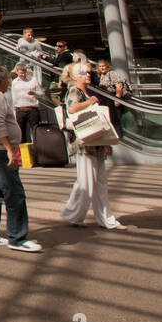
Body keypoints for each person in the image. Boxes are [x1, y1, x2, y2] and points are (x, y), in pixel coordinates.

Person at [0, 64, 41, 251]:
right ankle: (17, 238)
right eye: (7, 79)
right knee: (14, 192)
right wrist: (9, 150)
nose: (9, 83)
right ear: (1, 79)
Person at [60, 68, 126, 229]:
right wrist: (89, 102)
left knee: (95, 181)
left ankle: (96, 218)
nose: (88, 74)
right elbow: (72, 109)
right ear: (74, 76)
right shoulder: (75, 91)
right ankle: (75, 214)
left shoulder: (86, 92)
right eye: (84, 72)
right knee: (89, 181)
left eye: (89, 72)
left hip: (93, 142)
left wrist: (106, 142)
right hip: (86, 143)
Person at [10, 61, 45, 147]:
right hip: (20, 109)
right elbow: (14, 97)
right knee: (21, 132)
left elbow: (41, 93)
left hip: (32, 109)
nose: (23, 75)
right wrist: (14, 112)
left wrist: (34, 93)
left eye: (24, 72)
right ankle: (24, 154)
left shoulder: (33, 80)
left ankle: (38, 150)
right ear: (17, 72)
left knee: (36, 131)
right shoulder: (14, 82)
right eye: (21, 73)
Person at [96, 59, 128, 140]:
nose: (102, 68)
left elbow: (119, 85)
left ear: (107, 66)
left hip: (112, 101)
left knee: (115, 120)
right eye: (100, 66)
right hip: (106, 102)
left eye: (103, 66)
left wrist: (117, 99)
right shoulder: (100, 77)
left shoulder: (112, 73)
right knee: (111, 120)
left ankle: (120, 138)